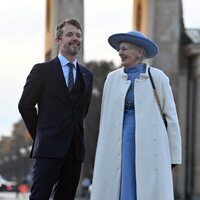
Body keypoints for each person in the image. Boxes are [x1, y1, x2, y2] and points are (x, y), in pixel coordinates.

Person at [90, 31, 181, 200]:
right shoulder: (112, 79)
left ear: (139, 52)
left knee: (147, 185)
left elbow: (171, 117)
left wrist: (173, 157)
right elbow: (105, 119)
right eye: (119, 49)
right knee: (121, 177)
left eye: (124, 48)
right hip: (119, 138)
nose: (120, 52)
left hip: (151, 144)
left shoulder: (158, 77)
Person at [18, 18, 93, 200]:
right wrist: (42, 135)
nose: (75, 38)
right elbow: (25, 106)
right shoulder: (42, 71)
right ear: (58, 40)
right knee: (39, 197)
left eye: (78, 35)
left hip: (75, 152)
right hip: (47, 149)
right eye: (69, 34)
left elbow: (82, 112)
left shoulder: (87, 75)